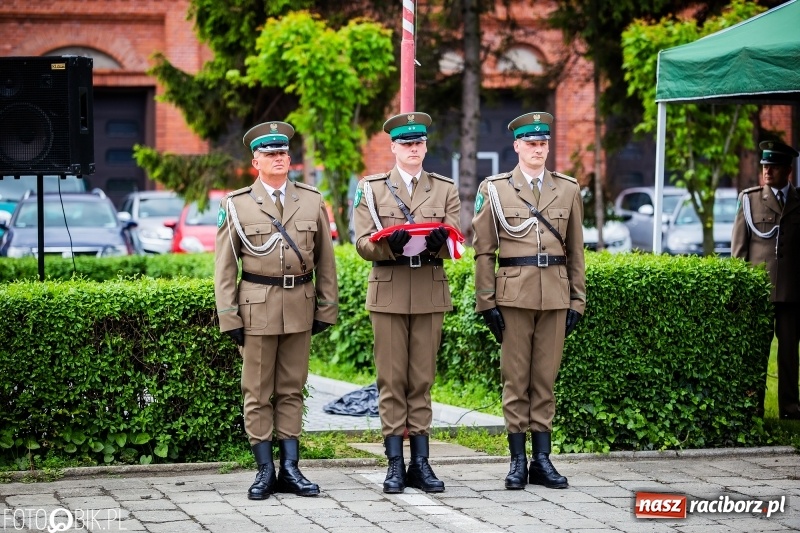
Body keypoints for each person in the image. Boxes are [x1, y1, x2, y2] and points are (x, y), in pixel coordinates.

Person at [214, 121, 338, 500]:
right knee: (256, 391)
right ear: (256, 161)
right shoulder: (236, 204)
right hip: (256, 309)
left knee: (291, 390)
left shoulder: (312, 200)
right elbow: (224, 267)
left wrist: (326, 307)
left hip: (299, 307)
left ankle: (291, 469)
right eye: (270, 153)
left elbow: (326, 262)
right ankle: (264, 470)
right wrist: (229, 315)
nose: (279, 158)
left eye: (283, 152)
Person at [471, 111, 586, 490]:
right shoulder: (496, 188)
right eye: (531, 144)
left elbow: (576, 251)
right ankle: (517, 461)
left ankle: (543, 461)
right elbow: (484, 251)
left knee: (545, 380)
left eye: (543, 144)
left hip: (554, 294)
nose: (538, 150)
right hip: (514, 297)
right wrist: (486, 301)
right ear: (517, 146)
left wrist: (577, 300)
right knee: (516, 380)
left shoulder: (567, 189)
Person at [352, 112, 461, 494]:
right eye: (406, 144)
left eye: (419, 143)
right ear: (394, 148)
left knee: (422, 379)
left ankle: (422, 463)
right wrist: (386, 245)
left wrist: (440, 244)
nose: (414, 149)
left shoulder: (445, 188)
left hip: (429, 287)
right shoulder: (372, 188)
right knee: (392, 379)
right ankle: (395, 463)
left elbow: (457, 240)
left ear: (426, 146)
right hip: (390, 286)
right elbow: (362, 242)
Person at [732, 140, 800, 421]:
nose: (767, 171)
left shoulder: (798, 202)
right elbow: (739, 251)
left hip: (792, 293)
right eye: (764, 166)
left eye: (773, 166)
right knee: (756, 352)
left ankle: (790, 407)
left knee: (788, 353)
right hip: (760, 292)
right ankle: (753, 407)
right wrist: (740, 290)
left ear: (788, 170)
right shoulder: (749, 200)